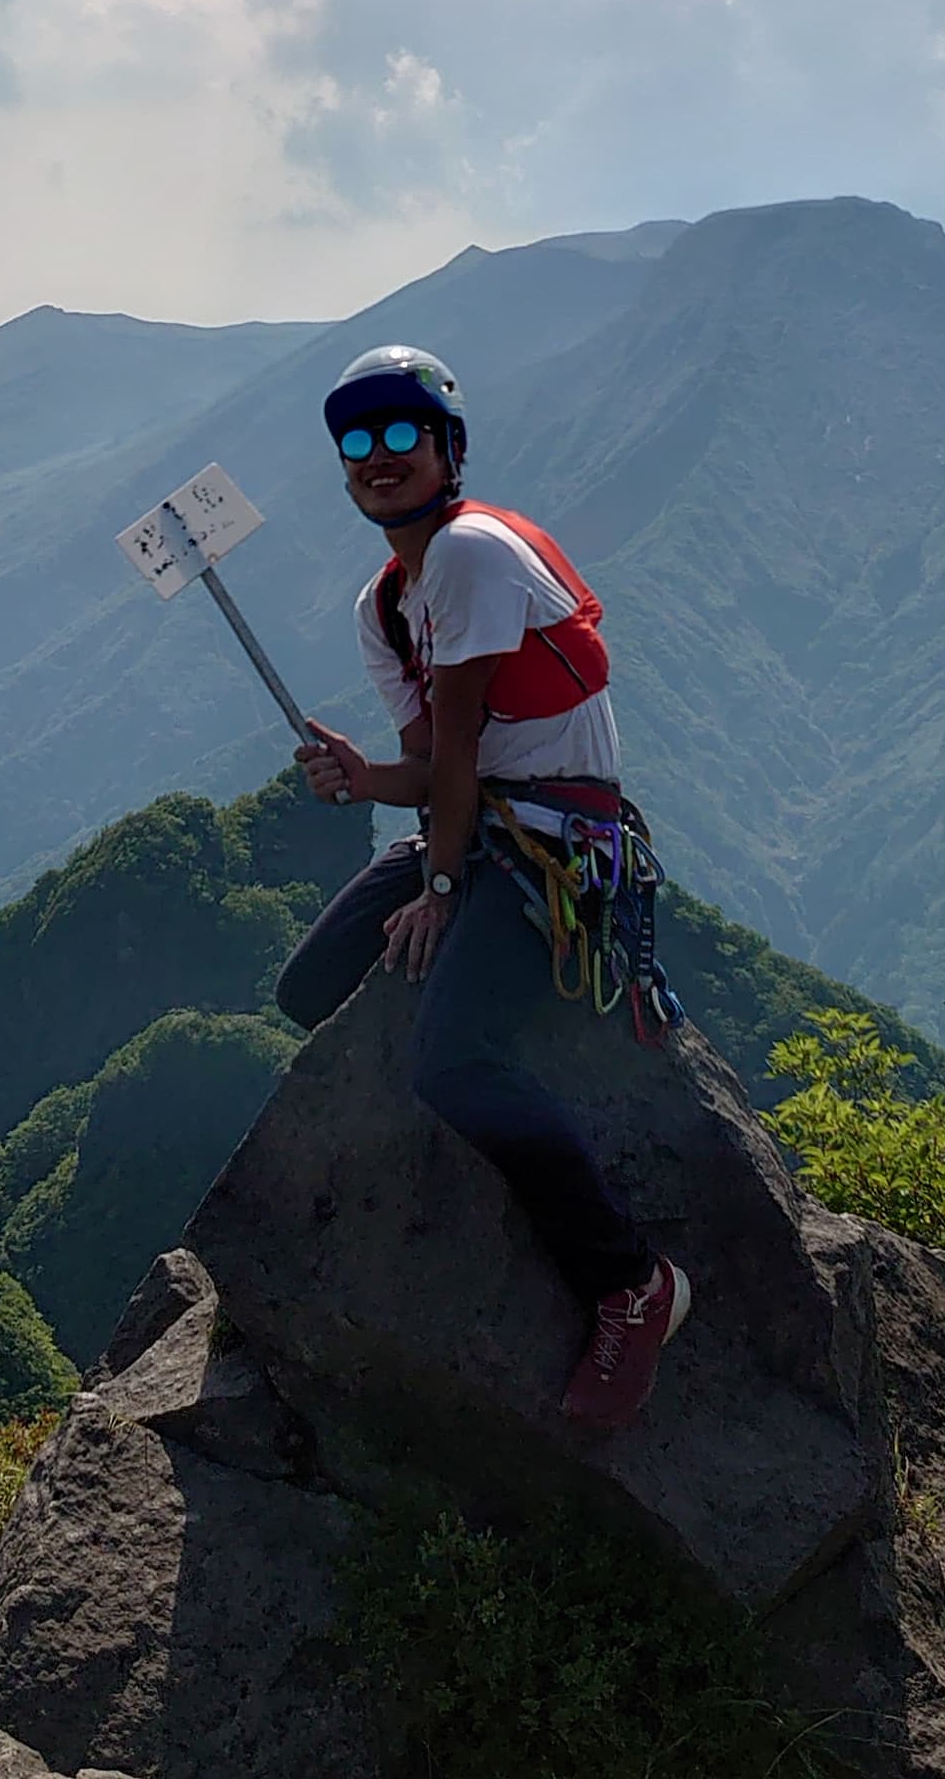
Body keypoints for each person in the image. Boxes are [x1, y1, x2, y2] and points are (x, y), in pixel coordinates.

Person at [274, 342, 692, 1430]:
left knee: (454, 1061)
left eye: (398, 434)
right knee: (310, 989)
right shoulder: (385, 604)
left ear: (446, 448)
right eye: (355, 442)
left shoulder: (468, 555)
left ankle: (631, 1283)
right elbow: (426, 767)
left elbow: (459, 747)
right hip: (481, 827)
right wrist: (364, 779)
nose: (376, 458)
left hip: (556, 840)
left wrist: (444, 889)